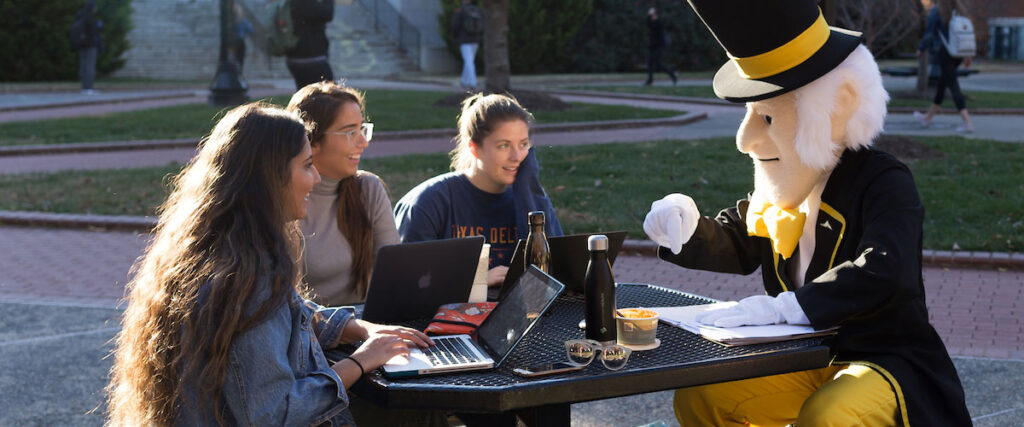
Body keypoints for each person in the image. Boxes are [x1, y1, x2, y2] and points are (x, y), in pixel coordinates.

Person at [643, 0, 971, 425]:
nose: (745, 140)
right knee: (702, 397)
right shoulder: (788, 185)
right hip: (805, 359)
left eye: (766, 118)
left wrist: (786, 307)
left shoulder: (883, 181)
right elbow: (739, 239)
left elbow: (884, 271)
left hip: (882, 360)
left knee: (829, 416)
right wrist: (681, 226)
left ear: (835, 110)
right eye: (749, 115)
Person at [106, 103, 433, 425]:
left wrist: (362, 329)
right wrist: (363, 360)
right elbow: (276, 414)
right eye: (307, 166)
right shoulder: (249, 279)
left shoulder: (218, 251)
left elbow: (293, 313)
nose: (316, 178)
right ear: (269, 179)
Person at [394, 93, 562, 290]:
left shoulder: (530, 198)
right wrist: (475, 280)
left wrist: (529, 189)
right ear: (474, 148)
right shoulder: (428, 202)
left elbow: (556, 276)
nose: (517, 156)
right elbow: (409, 284)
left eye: (524, 144)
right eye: (503, 146)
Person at [286, 82, 397, 307]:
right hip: (311, 333)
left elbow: (396, 272)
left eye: (362, 129)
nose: (363, 142)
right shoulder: (286, 200)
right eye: (350, 132)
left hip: (369, 325)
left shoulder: (368, 188)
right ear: (311, 140)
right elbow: (286, 305)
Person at [914, 0, 974, 132]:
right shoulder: (960, 10)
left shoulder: (937, 11)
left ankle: (967, 122)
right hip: (958, 53)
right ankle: (927, 118)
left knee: (953, 86)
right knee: (942, 85)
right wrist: (968, 55)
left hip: (945, 53)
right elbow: (966, 33)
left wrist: (921, 48)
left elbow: (929, 33)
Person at [287, 0, 335, 90]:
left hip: (294, 56)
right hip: (313, 57)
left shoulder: (291, 4)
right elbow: (328, 13)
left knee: (304, 94)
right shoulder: (307, 4)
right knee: (328, 94)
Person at [72, 0, 103, 95]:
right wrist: (99, 26)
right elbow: (93, 31)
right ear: (92, 8)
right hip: (90, 45)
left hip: (82, 45)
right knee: (89, 66)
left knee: (83, 66)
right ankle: (88, 88)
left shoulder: (80, 16)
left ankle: (84, 87)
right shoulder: (89, 18)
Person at [451, 0, 483, 90]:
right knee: (469, 60)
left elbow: (455, 25)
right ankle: (464, 81)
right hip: (475, 39)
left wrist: (455, 36)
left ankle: (473, 82)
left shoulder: (460, 10)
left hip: (464, 39)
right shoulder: (477, 10)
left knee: (469, 61)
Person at [644, 7, 677, 86]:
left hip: (659, 47)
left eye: (652, 14)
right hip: (653, 47)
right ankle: (651, 80)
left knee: (655, 64)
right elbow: (648, 24)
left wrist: (649, 15)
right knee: (652, 63)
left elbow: (652, 26)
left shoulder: (658, 22)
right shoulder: (653, 22)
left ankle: (672, 75)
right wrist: (649, 15)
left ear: (655, 14)